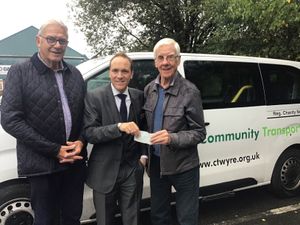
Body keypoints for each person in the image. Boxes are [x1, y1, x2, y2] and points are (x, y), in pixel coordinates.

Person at [0, 19, 87, 225]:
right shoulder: (19, 72)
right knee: (46, 220)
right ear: (38, 41)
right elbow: (10, 119)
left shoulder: (75, 74)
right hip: (41, 165)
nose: (57, 45)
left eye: (62, 41)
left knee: (72, 217)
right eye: (51, 39)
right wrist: (54, 150)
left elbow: (87, 115)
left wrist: (81, 141)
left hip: (74, 163)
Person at [143, 38, 207, 225]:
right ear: (155, 62)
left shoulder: (190, 91)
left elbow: (199, 132)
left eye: (170, 57)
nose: (165, 62)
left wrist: (172, 138)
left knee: (186, 218)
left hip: (184, 167)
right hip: (157, 166)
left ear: (178, 60)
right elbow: (146, 126)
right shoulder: (149, 90)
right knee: (158, 216)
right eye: (161, 58)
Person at [83, 52, 146, 225]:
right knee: (104, 221)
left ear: (131, 74)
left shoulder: (138, 96)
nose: (120, 76)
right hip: (104, 172)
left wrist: (143, 157)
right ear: (109, 72)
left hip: (132, 170)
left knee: (132, 220)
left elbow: (144, 127)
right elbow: (90, 133)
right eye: (115, 70)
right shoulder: (94, 97)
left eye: (124, 71)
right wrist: (118, 127)